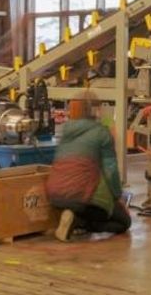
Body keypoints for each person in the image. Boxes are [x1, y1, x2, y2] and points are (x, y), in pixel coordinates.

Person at [46, 93, 131, 241]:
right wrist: (118, 197)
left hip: (55, 195)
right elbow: (110, 170)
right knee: (123, 222)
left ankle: (72, 219)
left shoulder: (67, 131)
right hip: (83, 197)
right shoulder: (102, 133)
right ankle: (80, 222)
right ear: (95, 110)